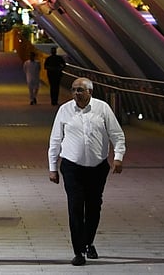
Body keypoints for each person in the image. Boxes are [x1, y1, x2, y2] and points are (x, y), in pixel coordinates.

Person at [48, 77, 125, 266]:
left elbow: (117, 135)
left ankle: (89, 242)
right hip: (72, 167)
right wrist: (53, 168)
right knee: (75, 207)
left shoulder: (103, 109)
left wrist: (118, 157)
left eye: (80, 90)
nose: (76, 93)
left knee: (93, 207)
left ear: (90, 91)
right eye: (74, 90)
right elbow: (55, 140)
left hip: (97, 168)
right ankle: (79, 251)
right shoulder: (64, 110)